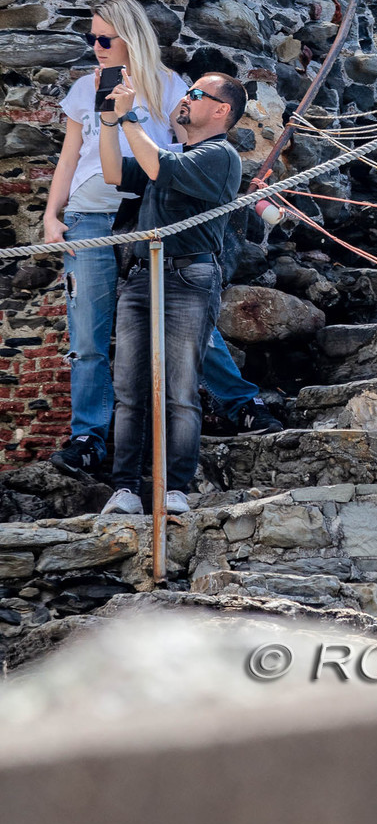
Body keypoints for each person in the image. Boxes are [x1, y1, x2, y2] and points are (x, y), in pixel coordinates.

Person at [42, 1, 273, 475]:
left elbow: (181, 157)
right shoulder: (85, 89)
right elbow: (69, 159)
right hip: (89, 218)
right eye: (92, 39)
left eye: (105, 39)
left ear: (132, 38)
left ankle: (239, 402)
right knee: (88, 333)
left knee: (187, 320)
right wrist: (51, 215)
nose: (96, 48)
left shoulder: (171, 89)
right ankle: (88, 437)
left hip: (148, 218)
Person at [99, 70, 253, 518]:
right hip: (141, 278)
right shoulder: (167, 154)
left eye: (195, 94)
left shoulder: (221, 156)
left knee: (181, 389)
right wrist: (111, 121)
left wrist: (129, 121)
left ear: (220, 110)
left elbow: (159, 168)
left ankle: (175, 489)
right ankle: (124, 489)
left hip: (189, 280)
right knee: (129, 388)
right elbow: (113, 172)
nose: (185, 98)